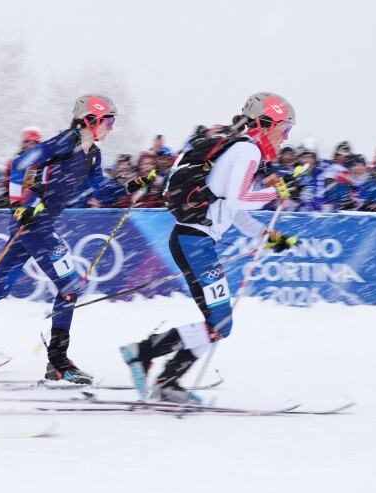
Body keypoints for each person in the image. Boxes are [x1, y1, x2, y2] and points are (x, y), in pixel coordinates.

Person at [0, 94, 155, 384]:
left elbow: (102, 192)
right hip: (34, 221)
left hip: (40, 223)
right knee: (69, 286)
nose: (111, 127)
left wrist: (133, 184)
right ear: (91, 120)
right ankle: (58, 362)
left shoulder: (93, 154)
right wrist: (19, 205)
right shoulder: (64, 142)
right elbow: (21, 163)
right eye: (108, 120)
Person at [119, 92, 300, 403]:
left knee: (218, 323)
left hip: (193, 240)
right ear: (266, 124)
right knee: (220, 323)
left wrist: (269, 236)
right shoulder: (247, 152)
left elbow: (236, 213)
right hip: (195, 241)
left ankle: (164, 375)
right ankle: (148, 359)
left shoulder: (241, 150)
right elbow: (238, 199)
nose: (285, 138)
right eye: (284, 129)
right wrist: (276, 193)